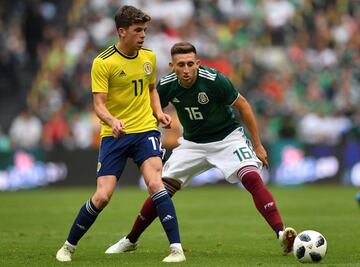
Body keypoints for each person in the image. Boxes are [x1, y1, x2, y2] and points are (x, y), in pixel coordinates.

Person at [105, 41, 297, 256]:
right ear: (172, 66)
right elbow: (151, 109)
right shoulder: (166, 85)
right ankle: (131, 239)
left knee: (251, 178)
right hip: (193, 144)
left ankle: (281, 233)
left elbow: (243, 105)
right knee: (161, 189)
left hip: (227, 138)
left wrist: (258, 145)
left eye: (190, 64)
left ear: (197, 63)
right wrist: (156, 121)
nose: (186, 70)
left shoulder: (215, 81)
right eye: (180, 65)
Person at [56, 6, 185, 263]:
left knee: (155, 183)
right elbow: (99, 104)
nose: (143, 35)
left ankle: (176, 249)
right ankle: (68, 247)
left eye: (145, 30)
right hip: (114, 134)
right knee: (103, 196)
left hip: (145, 130)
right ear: (122, 31)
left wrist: (158, 113)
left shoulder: (148, 57)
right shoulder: (103, 62)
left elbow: (151, 90)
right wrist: (112, 120)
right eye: (138, 30)